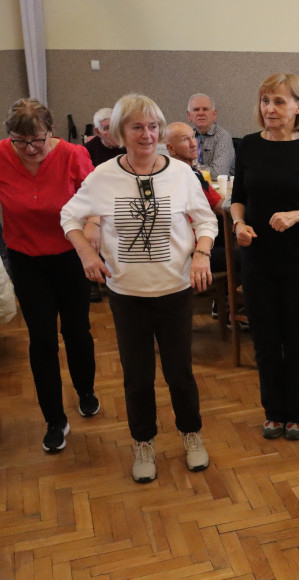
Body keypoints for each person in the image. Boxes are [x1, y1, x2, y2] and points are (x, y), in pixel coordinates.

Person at [60, 94, 216, 484]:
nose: (146, 135)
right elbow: (69, 216)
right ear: (120, 132)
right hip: (127, 295)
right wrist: (85, 254)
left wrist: (201, 253)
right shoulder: (102, 177)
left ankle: (190, 433)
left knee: (180, 372)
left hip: (175, 291)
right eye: (136, 127)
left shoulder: (181, 174)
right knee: (137, 375)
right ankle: (143, 442)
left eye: (152, 126)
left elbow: (206, 219)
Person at [0, 98, 98, 453]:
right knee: (42, 339)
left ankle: (85, 389)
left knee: (76, 329)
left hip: (69, 256)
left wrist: (94, 227)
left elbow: (96, 197)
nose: (31, 149)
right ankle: (55, 419)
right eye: (21, 142)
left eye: (38, 140)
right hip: (26, 259)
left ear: (50, 132)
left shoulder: (71, 154)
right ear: (9, 138)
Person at [229, 73, 299, 441]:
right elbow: (238, 197)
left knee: (297, 337)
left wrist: (297, 215)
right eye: (264, 101)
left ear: (298, 106)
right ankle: (273, 411)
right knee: (263, 335)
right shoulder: (248, 146)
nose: (270, 109)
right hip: (257, 255)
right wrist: (238, 223)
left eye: (278, 101)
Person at [187, 93, 234, 178]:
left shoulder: (223, 137)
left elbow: (218, 174)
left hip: (220, 189)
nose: (201, 113)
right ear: (189, 116)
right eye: (196, 109)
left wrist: (190, 170)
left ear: (214, 114)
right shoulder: (187, 136)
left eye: (205, 109)